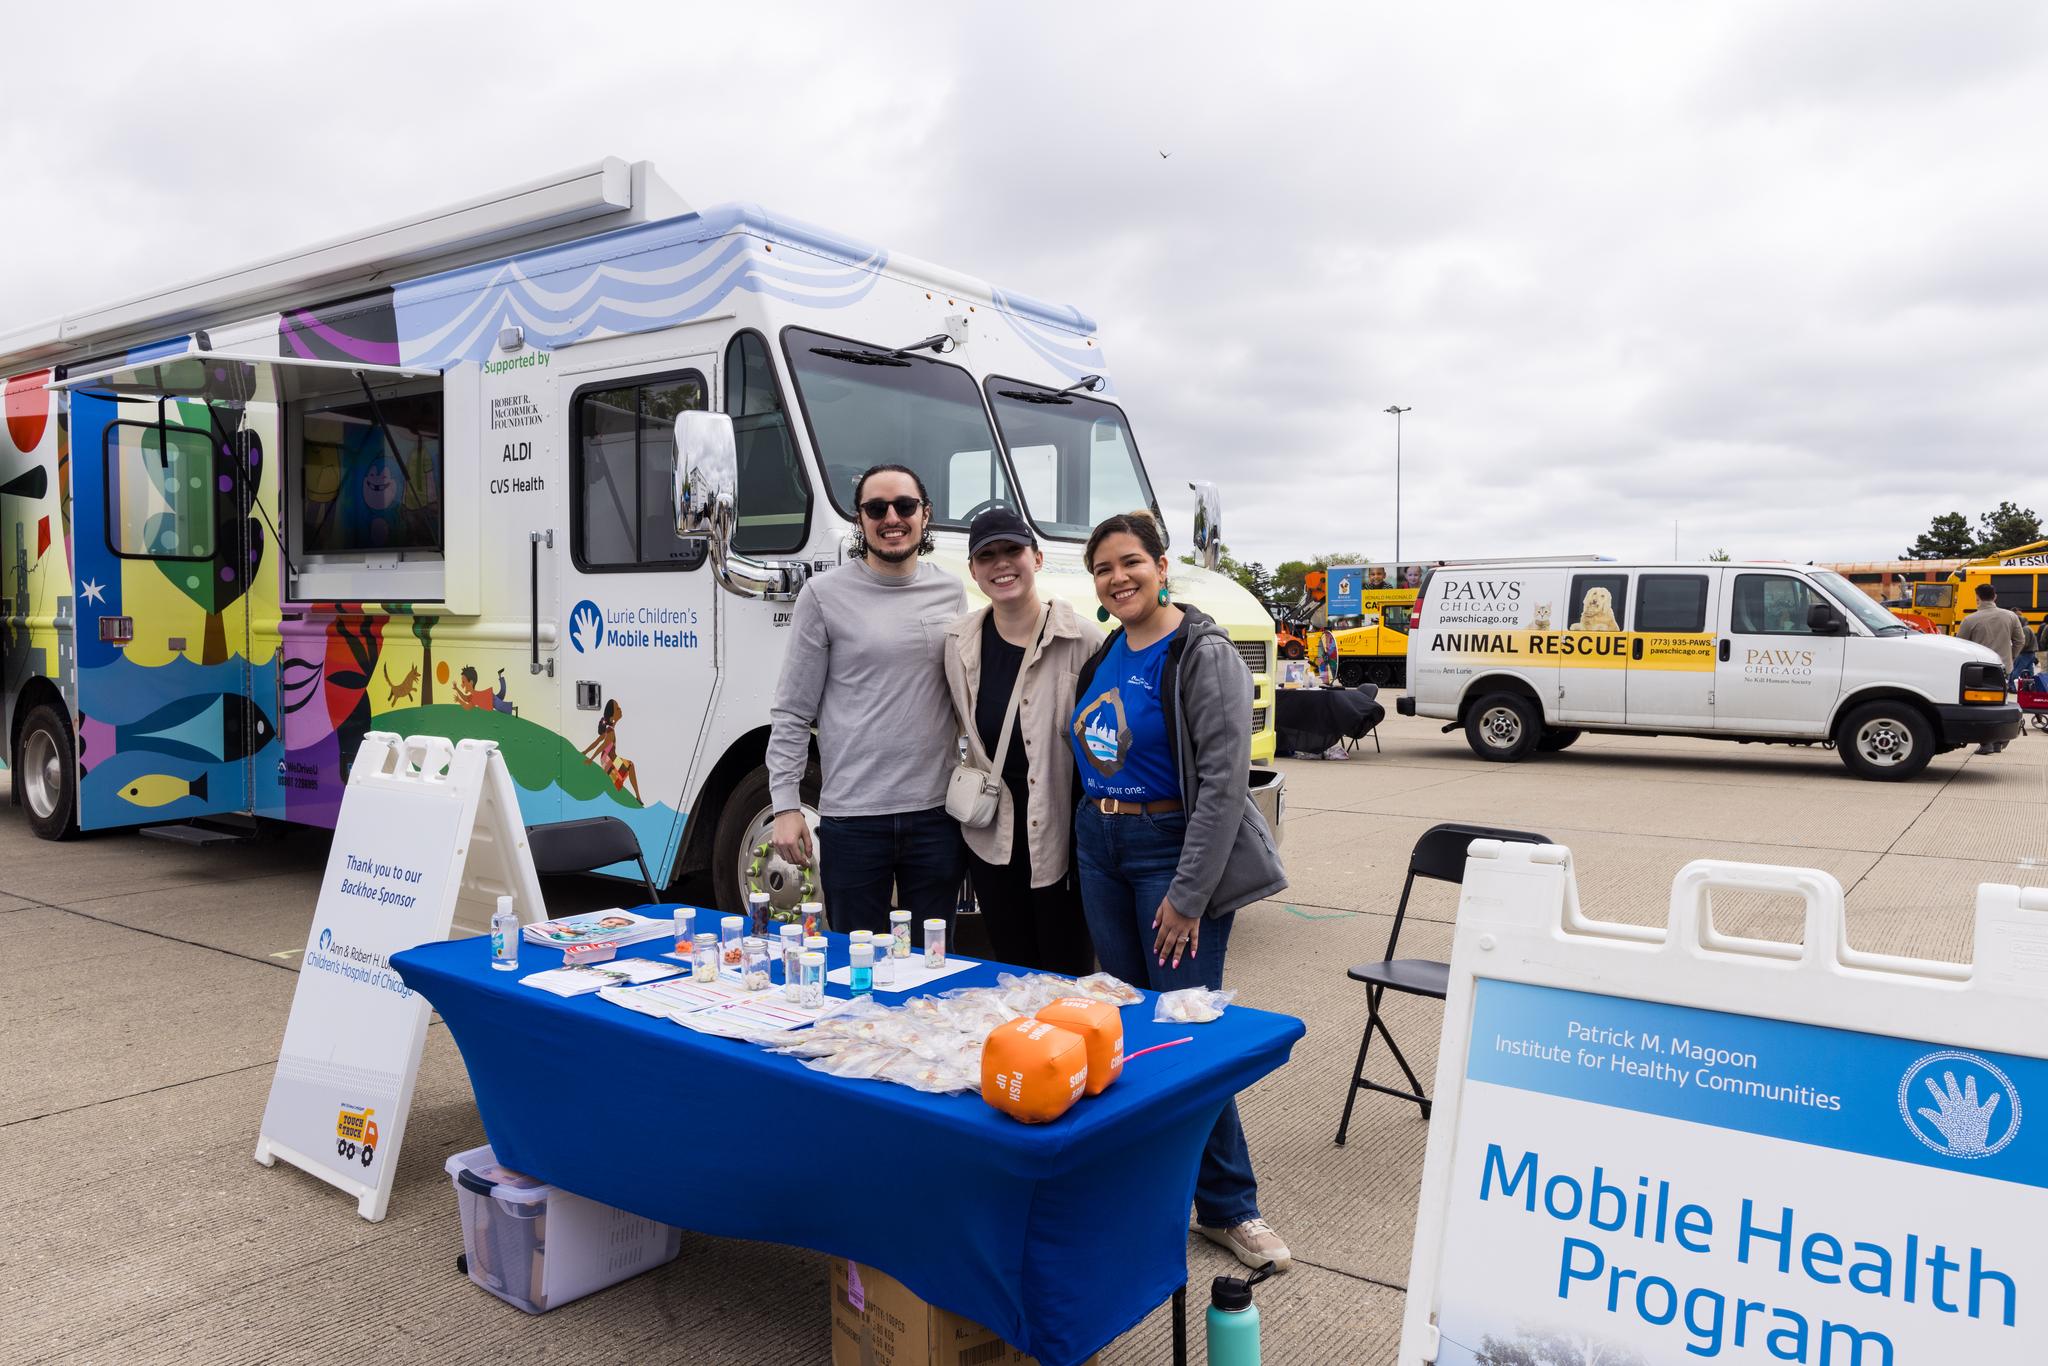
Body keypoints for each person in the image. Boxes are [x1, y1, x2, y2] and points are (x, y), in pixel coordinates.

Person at [1069, 510, 1292, 1272]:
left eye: (1131, 562)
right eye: (1103, 569)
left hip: (1170, 851)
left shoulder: (1202, 653)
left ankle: (1230, 1207)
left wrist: (1190, 893)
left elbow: (1226, 783)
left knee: (1187, 1030)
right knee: (1131, 1027)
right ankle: (1149, 1188)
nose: (1118, 578)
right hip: (1101, 845)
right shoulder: (1108, 651)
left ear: (1162, 567)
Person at [768, 465, 967, 934]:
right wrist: (786, 806)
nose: (891, 518)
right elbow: (793, 711)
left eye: (904, 506)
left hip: (936, 815)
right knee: (857, 960)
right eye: (876, 508)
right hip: (854, 818)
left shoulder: (951, 590)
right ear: (860, 519)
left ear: (925, 514)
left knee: (933, 961)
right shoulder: (822, 595)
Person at [941, 506, 1100, 974]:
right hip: (994, 840)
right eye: (987, 556)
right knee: (1011, 972)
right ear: (973, 570)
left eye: (1013, 550)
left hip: (1064, 842)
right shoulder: (958, 644)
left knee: (1067, 974)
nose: (1001, 564)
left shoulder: (1083, 640)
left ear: (1038, 558)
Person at [1958, 583, 2029, 755]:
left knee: (1981, 705)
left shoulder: (1970, 620)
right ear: (1995, 597)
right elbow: (2020, 640)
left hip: (1979, 669)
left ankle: (1986, 742)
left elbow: (1960, 645)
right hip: (2003, 667)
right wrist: (2010, 657)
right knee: (2001, 702)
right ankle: (1999, 740)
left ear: (1977, 598)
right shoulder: (2010, 616)